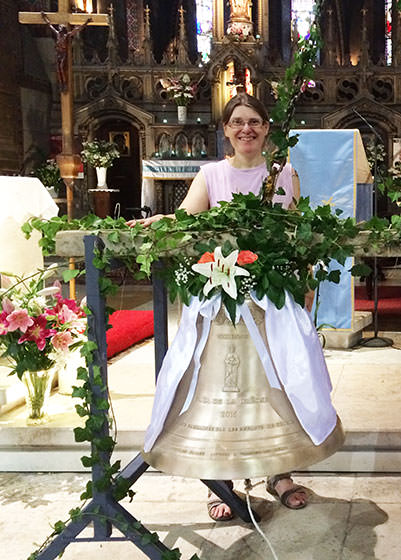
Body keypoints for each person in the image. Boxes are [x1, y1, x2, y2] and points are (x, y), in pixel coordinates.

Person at [130, 93, 307, 521]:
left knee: (274, 381)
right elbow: (190, 219)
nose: (246, 129)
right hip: (221, 296)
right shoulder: (211, 174)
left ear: (267, 129)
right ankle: (221, 481)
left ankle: (279, 472)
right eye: (237, 122)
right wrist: (161, 221)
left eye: (254, 121)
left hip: (269, 297)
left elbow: (296, 232)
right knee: (222, 386)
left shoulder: (284, 174)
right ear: (226, 130)